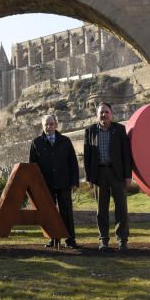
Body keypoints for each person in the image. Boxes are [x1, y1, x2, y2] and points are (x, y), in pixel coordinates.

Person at [83, 102, 133, 252]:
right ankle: (103, 240)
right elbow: (87, 157)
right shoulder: (90, 131)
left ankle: (122, 240)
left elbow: (126, 154)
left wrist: (128, 175)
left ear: (111, 114)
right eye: (101, 113)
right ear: (97, 115)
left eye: (106, 112)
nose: (104, 115)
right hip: (99, 174)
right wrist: (89, 177)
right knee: (101, 209)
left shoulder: (119, 130)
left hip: (116, 173)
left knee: (122, 209)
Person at [29, 113, 80, 248]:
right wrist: (35, 186)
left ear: (56, 125)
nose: (49, 127)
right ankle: (53, 239)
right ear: (42, 125)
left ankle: (70, 240)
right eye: (46, 124)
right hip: (46, 184)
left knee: (66, 212)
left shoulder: (65, 141)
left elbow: (73, 162)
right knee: (49, 212)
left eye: (51, 124)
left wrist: (75, 181)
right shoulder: (36, 143)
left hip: (64, 182)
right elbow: (32, 166)